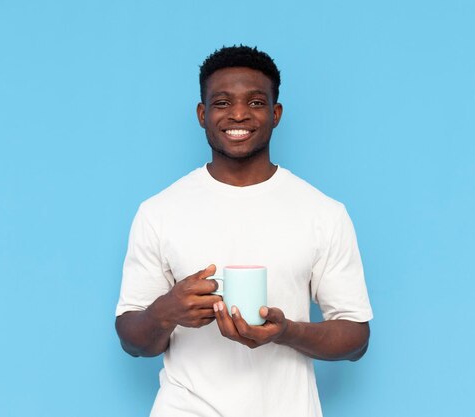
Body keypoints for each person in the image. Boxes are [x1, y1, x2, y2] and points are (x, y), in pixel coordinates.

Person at [115, 45, 373, 417]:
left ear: (275, 113)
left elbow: (356, 340)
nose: (238, 114)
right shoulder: (159, 212)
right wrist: (165, 311)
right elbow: (133, 341)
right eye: (222, 103)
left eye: (255, 102)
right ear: (203, 114)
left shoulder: (323, 213)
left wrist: (286, 332)